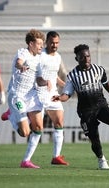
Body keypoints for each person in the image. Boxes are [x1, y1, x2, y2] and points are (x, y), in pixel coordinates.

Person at [52, 44, 109, 169]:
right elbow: (67, 94)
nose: (86, 59)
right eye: (82, 57)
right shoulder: (72, 76)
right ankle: (101, 159)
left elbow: (106, 83)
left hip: (101, 105)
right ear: (77, 59)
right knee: (94, 138)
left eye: (88, 56)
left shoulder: (99, 69)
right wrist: (59, 98)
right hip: (85, 111)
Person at [5, 29, 45, 168]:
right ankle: (11, 115)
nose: (41, 46)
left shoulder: (39, 59)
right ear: (30, 43)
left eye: (42, 44)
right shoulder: (23, 52)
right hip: (18, 96)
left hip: (31, 96)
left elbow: (39, 79)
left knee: (39, 127)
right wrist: (21, 67)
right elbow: (18, 62)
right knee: (25, 132)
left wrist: (46, 83)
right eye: (39, 43)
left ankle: (26, 161)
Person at [36, 31, 69, 165]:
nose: (54, 45)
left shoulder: (58, 57)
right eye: (52, 43)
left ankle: (56, 156)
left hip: (53, 94)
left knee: (60, 122)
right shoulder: (40, 55)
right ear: (46, 42)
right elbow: (36, 76)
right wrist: (43, 82)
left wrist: (67, 87)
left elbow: (54, 76)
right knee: (33, 129)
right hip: (38, 94)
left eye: (57, 43)